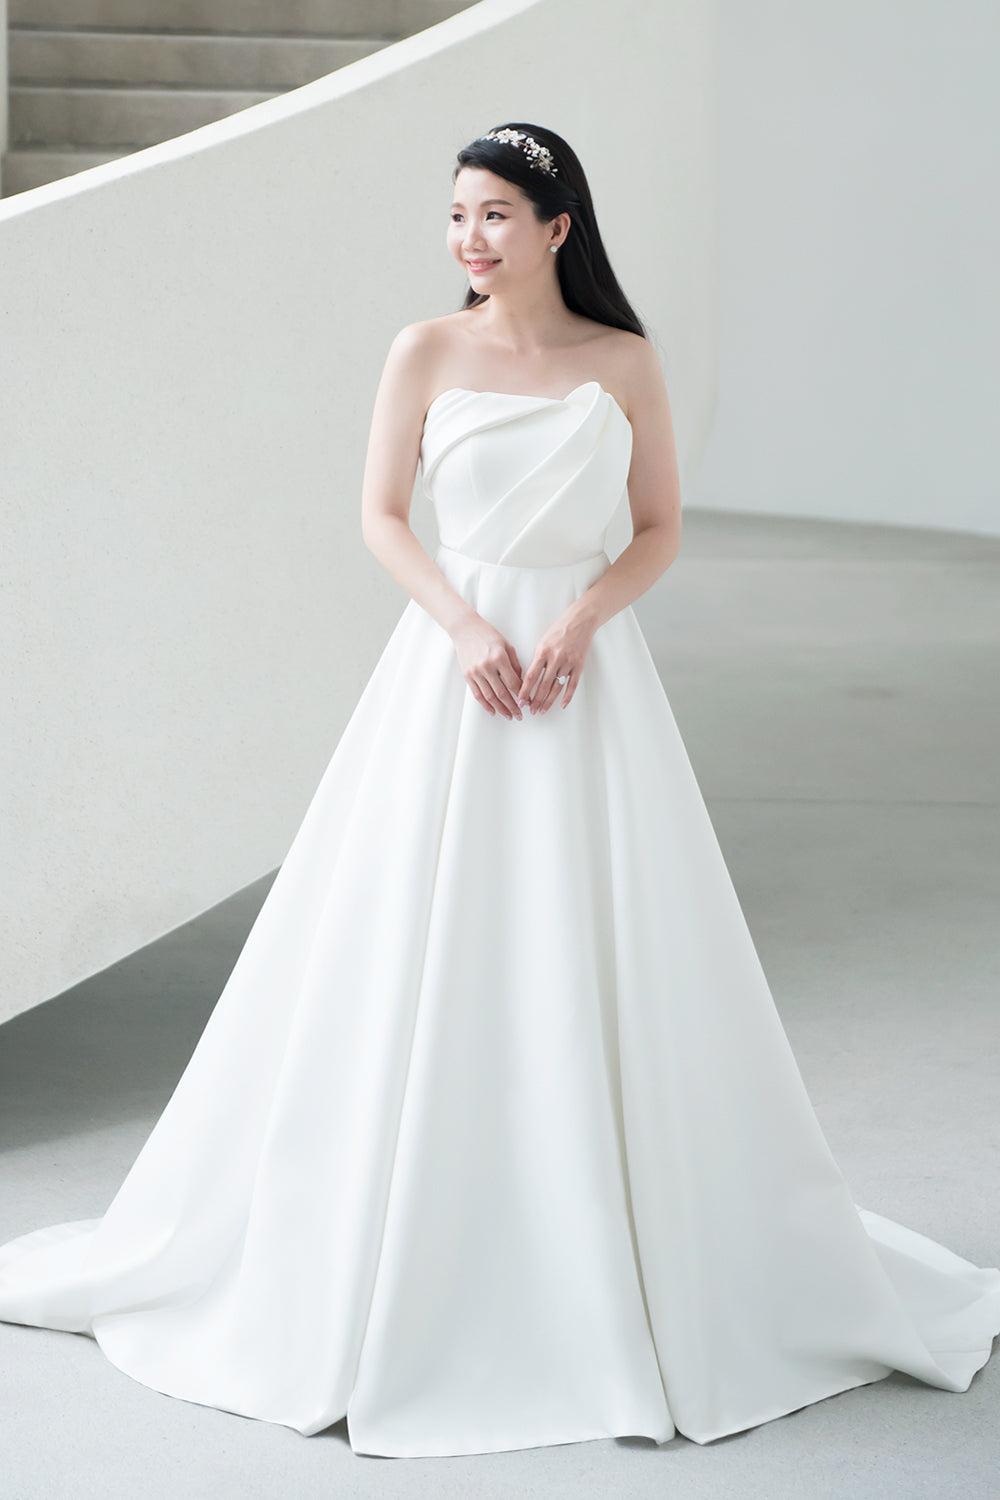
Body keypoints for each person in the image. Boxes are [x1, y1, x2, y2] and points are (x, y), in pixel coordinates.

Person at [0, 122, 998, 1462]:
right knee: (404, 941)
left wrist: (580, 621)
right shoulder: (423, 350)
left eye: (495, 216)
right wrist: (468, 630)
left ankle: (608, 1248)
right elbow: (381, 517)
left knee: (598, 945)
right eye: (458, 214)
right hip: (451, 677)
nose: (470, 237)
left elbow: (658, 529)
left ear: (558, 227)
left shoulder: (624, 363)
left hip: (586, 685)